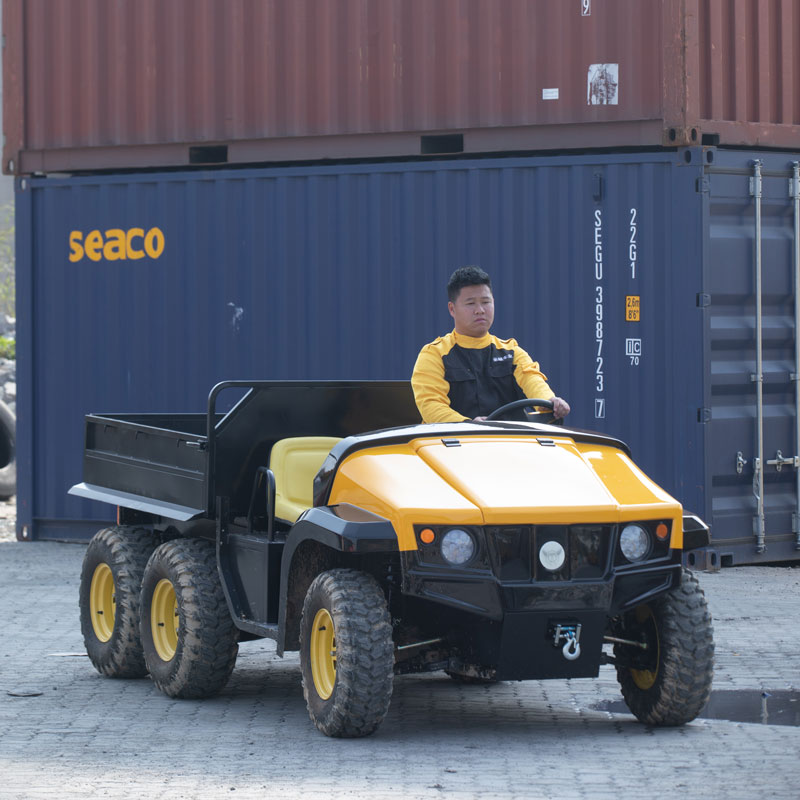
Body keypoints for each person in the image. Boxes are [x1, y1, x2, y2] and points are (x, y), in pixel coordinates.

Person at [411, 266, 570, 423]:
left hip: (510, 444)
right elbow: (431, 405)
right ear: (452, 309)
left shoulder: (512, 352)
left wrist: (550, 401)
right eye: (470, 303)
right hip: (451, 444)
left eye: (485, 302)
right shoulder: (434, 355)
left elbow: (532, 381)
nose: (480, 310)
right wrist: (469, 425)